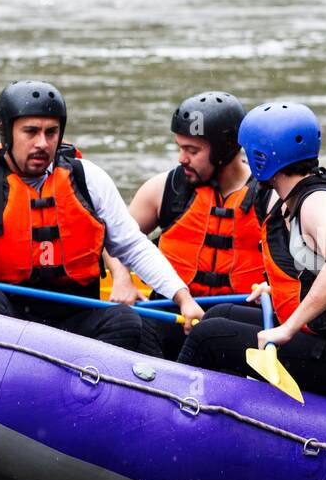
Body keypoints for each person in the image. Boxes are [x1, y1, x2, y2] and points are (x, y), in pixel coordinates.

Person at [0, 80, 204, 353]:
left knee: (126, 321)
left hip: (77, 318)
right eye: (31, 132)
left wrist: (182, 298)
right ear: (6, 132)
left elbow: (133, 246)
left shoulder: (88, 180)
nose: (42, 143)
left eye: (51, 132)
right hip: (10, 323)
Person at [177, 102, 326, 401]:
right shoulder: (312, 193)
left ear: (262, 157)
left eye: (248, 151)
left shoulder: (316, 203)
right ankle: (220, 406)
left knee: (209, 336)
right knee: (221, 313)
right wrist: (281, 291)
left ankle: (173, 409)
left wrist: (288, 328)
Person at [112, 91, 270, 357]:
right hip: (170, 313)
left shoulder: (270, 197)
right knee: (125, 327)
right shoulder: (164, 188)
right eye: (180, 147)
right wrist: (122, 277)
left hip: (236, 318)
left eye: (192, 150)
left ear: (224, 150)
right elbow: (115, 239)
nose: (181, 158)